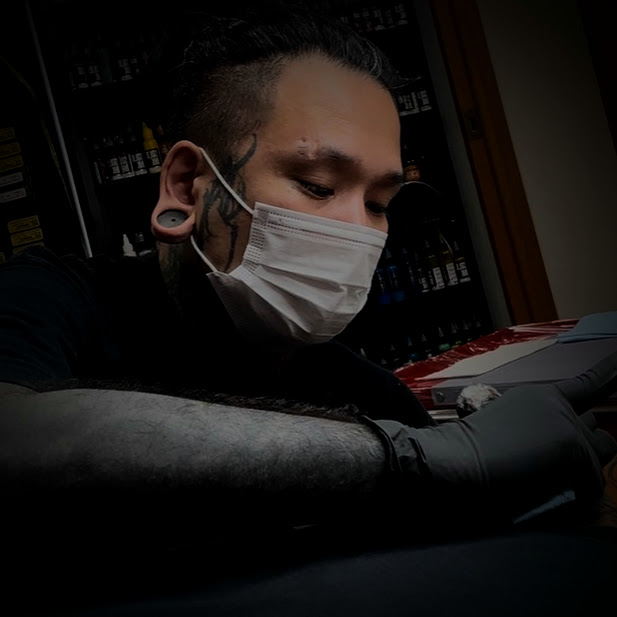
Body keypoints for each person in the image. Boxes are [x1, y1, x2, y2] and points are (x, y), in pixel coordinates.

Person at [1, 7, 617, 616]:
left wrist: (533, 484)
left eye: (379, 204)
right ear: (188, 186)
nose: (358, 229)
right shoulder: (51, 298)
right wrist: (406, 461)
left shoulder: (363, 394)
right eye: (318, 185)